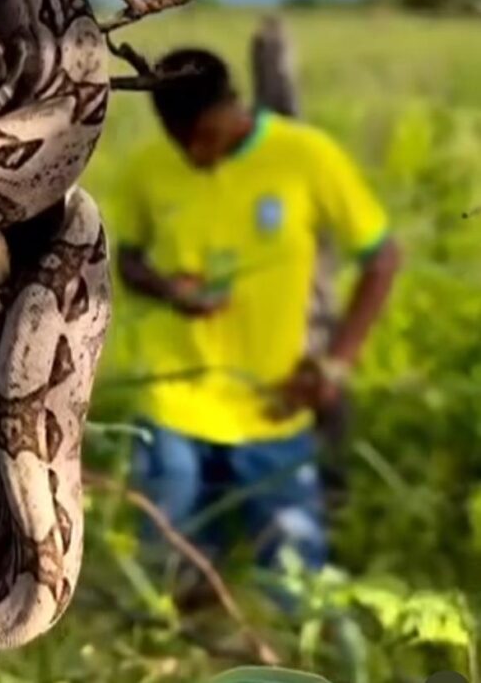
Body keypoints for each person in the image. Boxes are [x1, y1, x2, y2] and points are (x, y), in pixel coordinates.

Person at [115, 47, 400, 606]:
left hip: (273, 406)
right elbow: (128, 259)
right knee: (169, 578)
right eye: (179, 141)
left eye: (202, 136)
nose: (194, 153)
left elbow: (382, 258)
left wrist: (337, 364)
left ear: (230, 107)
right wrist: (169, 289)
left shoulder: (305, 156)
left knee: (295, 587)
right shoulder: (149, 168)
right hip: (173, 403)